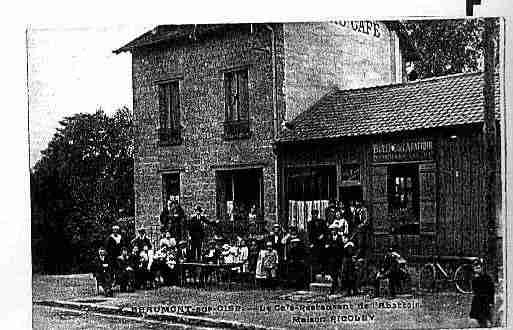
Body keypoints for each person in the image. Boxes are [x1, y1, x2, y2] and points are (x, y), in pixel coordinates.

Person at [469, 259, 495, 328]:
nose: (477, 270)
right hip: (477, 302)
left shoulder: (487, 278)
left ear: (481, 268)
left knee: (487, 323)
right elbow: (475, 291)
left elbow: (491, 291)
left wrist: (491, 302)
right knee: (473, 322)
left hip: (486, 302)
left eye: (478, 268)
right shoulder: (474, 279)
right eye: (475, 268)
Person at [325, 223, 344, 294]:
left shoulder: (339, 237)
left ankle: (336, 288)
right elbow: (327, 248)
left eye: (334, 230)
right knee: (333, 274)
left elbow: (340, 248)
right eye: (332, 230)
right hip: (331, 258)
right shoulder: (329, 237)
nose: (333, 231)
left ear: (337, 230)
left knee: (337, 273)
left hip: (338, 258)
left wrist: (331, 246)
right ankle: (334, 288)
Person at [308, 209, 328, 276]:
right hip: (314, 243)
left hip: (321, 243)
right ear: (312, 215)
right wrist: (311, 243)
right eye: (313, 214)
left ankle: (323, 271)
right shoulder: (310, 223)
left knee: (322, 257)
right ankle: (315, 272)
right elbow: (309, 234)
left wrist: (323, 236)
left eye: (316, 214)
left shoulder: (322, 221)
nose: (315, 215)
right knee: (315, 257)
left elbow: (326, 231)